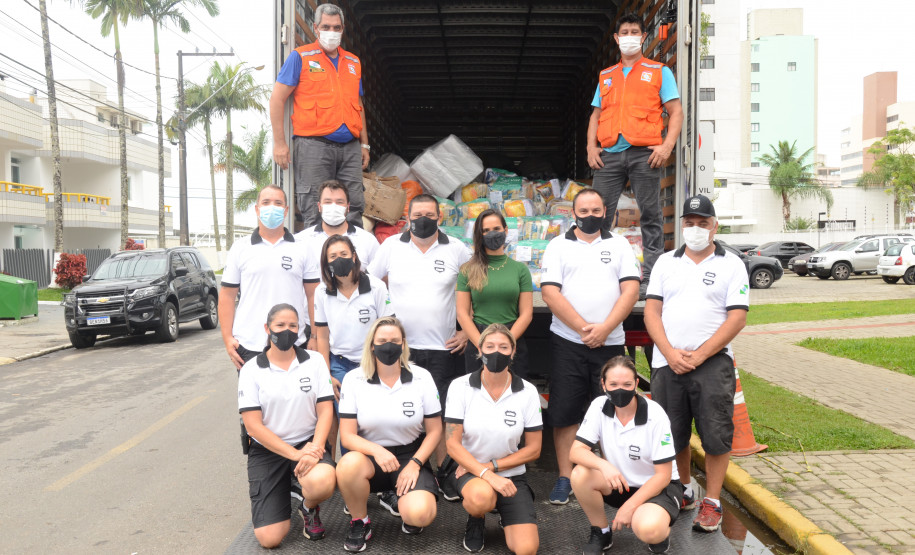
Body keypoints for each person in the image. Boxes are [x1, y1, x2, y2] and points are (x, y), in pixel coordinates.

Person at [644, 194, 749, 534]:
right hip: (667, 362)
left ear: (714, 226)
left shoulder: (731, 264)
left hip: (712, 364)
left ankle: (713, 501)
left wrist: (700, 354)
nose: (695, 229)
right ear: (682, 226)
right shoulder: (665, 263)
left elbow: (737, 318)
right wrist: (670, 353)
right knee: (672, 434)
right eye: (689, 223)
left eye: (703, 223)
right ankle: (685, 490)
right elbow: (651, 312)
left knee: (716, 434)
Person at [540, 187, 641, 505]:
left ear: (605, 212)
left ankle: (615, 475)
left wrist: (606, 328)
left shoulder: (620, 244)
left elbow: (631, 290)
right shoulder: (557, 246)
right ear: (573, 213)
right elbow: (550, 293)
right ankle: (564, 477)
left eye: (596, 211)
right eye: (583, 211)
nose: (590, 216)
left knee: (615, 411)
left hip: (610, 344)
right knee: (564, 413)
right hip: (568, 342)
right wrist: (585, 329)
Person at [368, 193, 472, 488]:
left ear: (440, 217)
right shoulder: (391, 247)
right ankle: (407, 471)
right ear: (407, 217)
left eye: (429, 215)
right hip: (400, 350)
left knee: (439, 414)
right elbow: (373, 285)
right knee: (402, 409)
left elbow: (474, 289)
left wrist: (467, 330)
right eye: (417, 215)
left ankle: (443, 474)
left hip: (443, 348)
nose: (422, 220)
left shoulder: (456, 249)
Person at [586, 11, 683, 296]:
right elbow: (596, 115)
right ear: (616, 39)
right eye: (624, 33)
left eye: (634, 32)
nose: (629, 37)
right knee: (598, 216)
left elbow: (676, 112)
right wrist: (591, 146)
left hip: (645, 154)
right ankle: (599, 274)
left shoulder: (658, 72)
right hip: (610, 155)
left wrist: (667, 147)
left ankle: (651, 279)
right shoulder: (606, 76)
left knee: (651, 216)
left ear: (643, 37)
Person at [336, 316, 442, 552]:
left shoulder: (422, 377)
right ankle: (359, 521)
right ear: (372, 345)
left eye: (395, 340)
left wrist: (416, 463)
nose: (389, 345)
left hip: (409, 456)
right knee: (347, 465)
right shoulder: (354, 379)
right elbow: (347, 436)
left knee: (421, 515)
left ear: (403, 344)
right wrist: (377, 450)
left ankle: (407, 503)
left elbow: (435, 431)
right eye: (382, 340)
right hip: (371, 457)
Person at [237, 303, 336, 547]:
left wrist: (316, 447)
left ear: (300, 329)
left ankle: (308, 506)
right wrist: (295, 454)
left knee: (322, 481)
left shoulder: (314, 361)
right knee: (269, 539)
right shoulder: (251, 370)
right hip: (268, 450)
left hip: (307, 442)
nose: (286, 330)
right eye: (280, 325)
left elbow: (325, 411)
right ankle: (287, 485)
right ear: (267, 328)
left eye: (293, 325)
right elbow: (253, 426)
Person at [270, 3, 370, 229]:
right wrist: (279, 143)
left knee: (354, 207)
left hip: (350, 148)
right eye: (326, 26)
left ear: (343, 29)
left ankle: (351, 261)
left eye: (336, 27)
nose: (331, 32)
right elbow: (277, 99)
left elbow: (358, 104)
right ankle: (317, 262)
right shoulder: (300, 57)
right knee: (315, 208)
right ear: (315, 27)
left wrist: (365, 145)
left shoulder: (353, 62)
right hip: (313, 146)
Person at [444, 324, 542, 555]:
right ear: (479, 349)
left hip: (511, 477)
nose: (496, 352)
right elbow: (452, 443)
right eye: (490, 346)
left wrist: (493, 467)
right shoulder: (460, 387)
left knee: (527, 549)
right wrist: (484, 473)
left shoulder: (527, 391)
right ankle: (476, 518)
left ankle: (506, 513)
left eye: (503, 347)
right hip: (469, 472)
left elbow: (534, 449)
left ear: (513, 351)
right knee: (481, 498)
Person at [570, 356, 682, 554]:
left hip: (656, 488)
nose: (619, 389)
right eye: (613, 384)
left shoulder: (655, 415)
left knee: (649, 530)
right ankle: (601, 532)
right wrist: (604, 465)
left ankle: (660, 532)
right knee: (580, 474)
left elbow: (663, 476)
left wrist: (630, 506)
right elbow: (576, 451)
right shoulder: (598, 406)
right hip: (620, 483)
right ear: (603, 384)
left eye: (627, 384)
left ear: (636, 384)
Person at [219, 184, 316, 368]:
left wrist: (315, 336)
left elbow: (314, 295)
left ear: (286, 210)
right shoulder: (240, 248)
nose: (272, 207)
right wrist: (227, 339)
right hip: (249, 345)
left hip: (295, 341)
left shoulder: (303, 247)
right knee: (254, 398)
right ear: (257, 209)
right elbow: (227, 296)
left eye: (278, 203)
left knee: (297, 397)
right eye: (266, 202)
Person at [313, 234, 392, 455]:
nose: (339, 259)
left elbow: (387, 327)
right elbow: (322, 334)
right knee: (346, 420)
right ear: (326, 262)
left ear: (354, 256)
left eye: (344, 254)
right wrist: (327, 373)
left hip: (372, 364)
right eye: (333, 256)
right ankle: (347, 473)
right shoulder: (321, 292)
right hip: (339, 365)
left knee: (372, 419)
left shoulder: (375, 287)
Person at [456, 209, 534, 377]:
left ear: (506, 231)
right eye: (485, 230)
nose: (492, 234)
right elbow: (462, 314)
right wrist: (482, 345)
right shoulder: (467, 270)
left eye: (496, 229)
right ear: (479, 234)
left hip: (513, 337)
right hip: (478, 338)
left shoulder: (520, 270)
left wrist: (507, 343)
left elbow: (526, 314)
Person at [296, 179, 380, 278]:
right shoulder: (301, 240)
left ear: (348, 207)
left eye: (339, 202)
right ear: (319, 206)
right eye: (328, 202)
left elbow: (379, 280)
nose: (333, 206)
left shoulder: (368, 241)